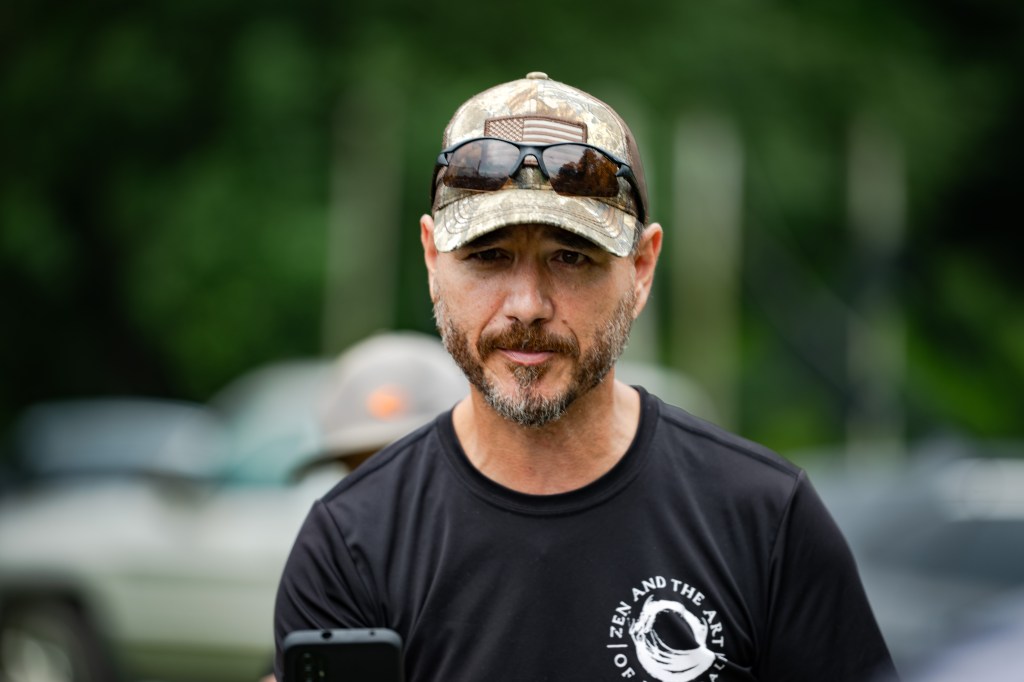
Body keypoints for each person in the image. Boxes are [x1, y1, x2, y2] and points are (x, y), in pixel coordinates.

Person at [273, 72, 898, 682]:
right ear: (433, 259)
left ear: (642, 268)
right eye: (488, 256)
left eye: (571, 257)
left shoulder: (765, 520)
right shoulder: (351, 543)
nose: (527, 305)